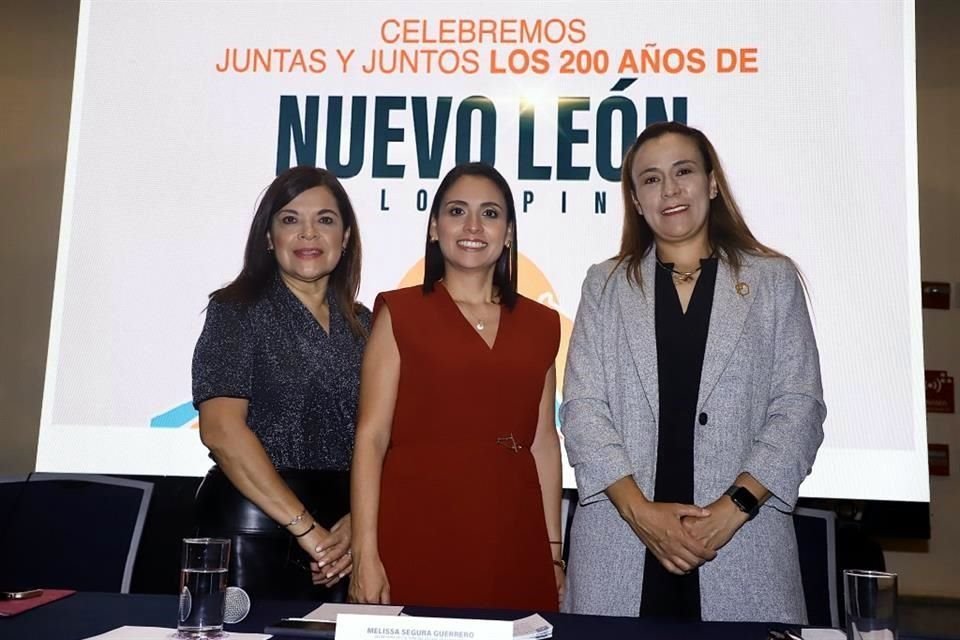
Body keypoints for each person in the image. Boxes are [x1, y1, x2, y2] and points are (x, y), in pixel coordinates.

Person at [560, 122, 826, 623]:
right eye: (651, 179)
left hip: (741, 546)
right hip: (621, 549)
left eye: (683, 172)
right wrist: (643, 515)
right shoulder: (604, 284)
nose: (671, 190)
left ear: (711, 182)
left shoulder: (772, 280)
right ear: (636, 200)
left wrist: (731, 510)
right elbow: (582, 409)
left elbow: (799, 408)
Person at [349, 162, 564, 611]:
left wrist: (553, 551)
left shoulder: (542, 324)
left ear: (508, 232)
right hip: (416, 530)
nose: (472, 226)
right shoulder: (399, 312)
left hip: (514, 538)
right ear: (434, 228)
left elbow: (543, 442)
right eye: (456, 211)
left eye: (490, 213)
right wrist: (365, 552)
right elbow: (371, 438)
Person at [191, 166, 370, 600]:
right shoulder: (235, 311)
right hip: (253, 531)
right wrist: (307, 530)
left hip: (345, 541)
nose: (309, 234)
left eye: (325, 220)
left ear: (345, 237)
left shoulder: (369, 325)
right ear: (269, 237)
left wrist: (356, 523)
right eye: (290, 219)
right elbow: (221, 431)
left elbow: (388, 437)